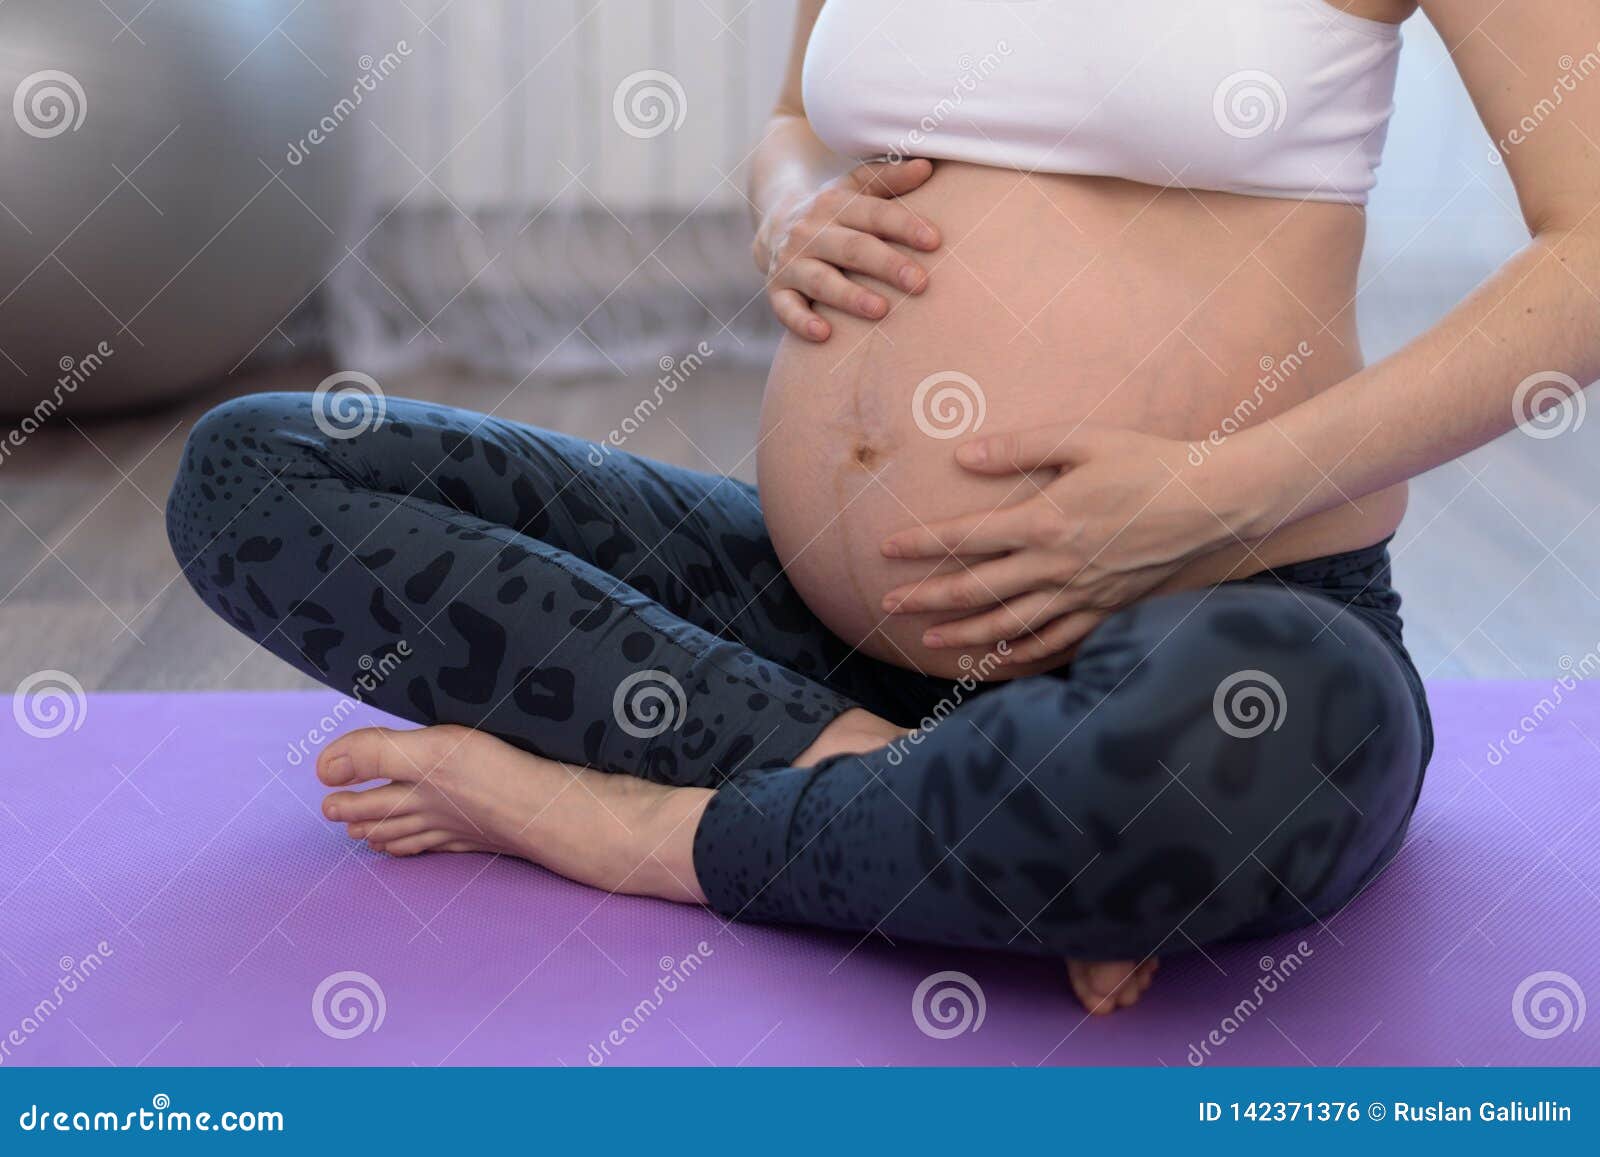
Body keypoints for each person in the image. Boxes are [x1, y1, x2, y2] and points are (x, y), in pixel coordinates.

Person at [166, 0, 1598, 1016]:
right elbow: (797, 118)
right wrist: (789, 202)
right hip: (820, 622)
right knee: (259, 472)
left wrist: (1196, 496)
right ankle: (895, 783)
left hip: (1217, 618)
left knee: (1250, 740)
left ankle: (637, 831)